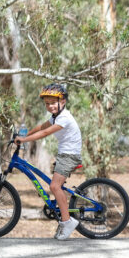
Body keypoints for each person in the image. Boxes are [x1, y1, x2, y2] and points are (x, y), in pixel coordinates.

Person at [15, 83, 82, 240]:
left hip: (69, 155)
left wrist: (24, 139)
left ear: (63, 101)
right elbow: (41, 127)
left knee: (54, 186)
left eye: (53, 103)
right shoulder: (55, 117)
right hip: (64, 154)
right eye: (47, 104)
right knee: (56, 186)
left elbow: (45, 133)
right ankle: (64, 216)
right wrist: (23, 134)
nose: (50, 106)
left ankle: (67, 222)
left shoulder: (64, 117)